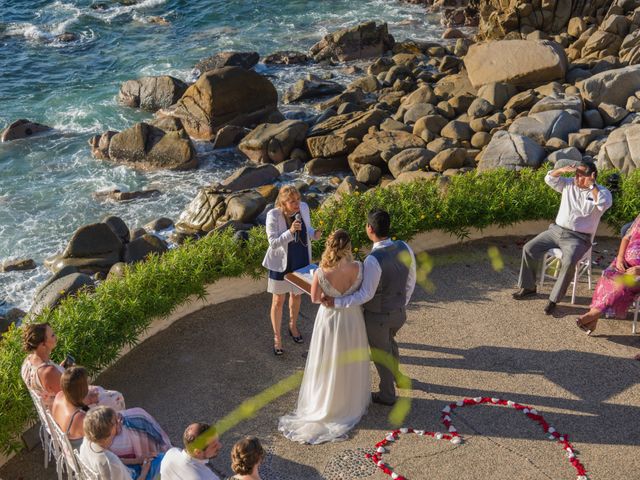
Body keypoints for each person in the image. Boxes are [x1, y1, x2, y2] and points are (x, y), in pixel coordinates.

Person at [279, 229, 371, 443]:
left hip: (329, 319)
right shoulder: (359, 267)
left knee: (328, 359)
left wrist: (317, 281)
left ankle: (326, 401)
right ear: (348, 247)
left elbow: (314, 298)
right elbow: (360, 292)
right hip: (352, 318)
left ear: (330, 246)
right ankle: (349, 401)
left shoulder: (321, 271)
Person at [323, 210, 416, 406]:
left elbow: (366, 294)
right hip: (399, 312)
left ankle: (388, 395)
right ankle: (398, 378)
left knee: (380, 354)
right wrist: (402, 303)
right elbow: (411, 280)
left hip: (378, 317)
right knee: (390, 343)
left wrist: (337, 302)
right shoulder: (404, 247)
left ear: (370, 229)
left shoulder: (373, 260)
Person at [513, 162, 613, 315]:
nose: (576, 178)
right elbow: (549, 179)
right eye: (576, 174)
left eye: (580, 176)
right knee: (529, 248)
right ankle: (528, 288)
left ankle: (553, 300)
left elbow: (603, 204)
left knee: (569, 261)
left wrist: (592, 186)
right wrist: (560, 170)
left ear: (592, 177)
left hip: (579, 238)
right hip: (556, 231)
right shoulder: (568, 184)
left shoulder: (602, 192)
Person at [51, 366, 170, 475]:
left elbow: (75, 405)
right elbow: (102, 438)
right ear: (82, 390)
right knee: (139, 422)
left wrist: (88, 401)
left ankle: (158, 448)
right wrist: (115, 428)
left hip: (79, 448)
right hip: (91, 453)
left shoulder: (60, 396)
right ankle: (161, 451)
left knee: (137, 415)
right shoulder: (79, 419)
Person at [262, 185, 321, 356]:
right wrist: (290, 231)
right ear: (283, 202)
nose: (296, 204)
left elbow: (308, 229)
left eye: (298, 199)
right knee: (278, 301)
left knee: (296, 296)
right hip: (281, 263)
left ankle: (293, 326)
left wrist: (314, 233)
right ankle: (277, 337)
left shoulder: (304, 208)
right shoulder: (273, 215)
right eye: (291, 201)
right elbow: (273, 243)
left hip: (300, 260)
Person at [21, 322, 125, 410]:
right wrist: (90, 399)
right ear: (42, 345)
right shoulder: (48, 372)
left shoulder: (29, 361)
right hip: (68, 412)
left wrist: (62, 369)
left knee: (102, 391)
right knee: (117, 397)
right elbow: (71, 401)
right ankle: (115, 429)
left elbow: (51, 382)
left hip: (54, 406)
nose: (56, 337)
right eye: (52, 335)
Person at [577, 214, 640, 334]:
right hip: (624, 263)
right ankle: (593, 319)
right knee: (607, 276)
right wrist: (620, 258)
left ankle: (593, 314)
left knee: (621, 285)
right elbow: (626, 238)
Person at [79, 406, 153, 480]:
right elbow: (113, 464)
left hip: (121, 472)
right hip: (134, 476)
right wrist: (144, 472)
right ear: (108, 432)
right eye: (115, 422)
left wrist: (136, 461)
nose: (118, 422)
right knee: (160, 460)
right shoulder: (111, 462)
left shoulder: (87, 441)